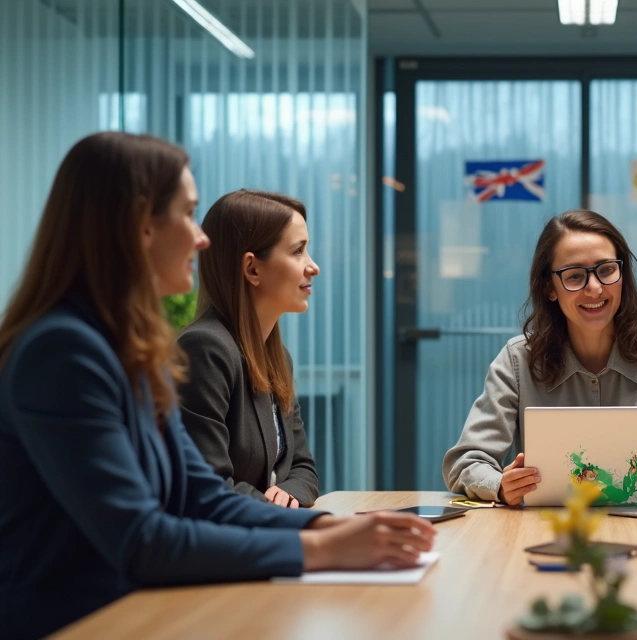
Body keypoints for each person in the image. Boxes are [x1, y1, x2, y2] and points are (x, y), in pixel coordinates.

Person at [0, 133, 435, 639]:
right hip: (78, 623)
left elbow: (202, 495)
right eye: (187, 215)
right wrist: (317, 549)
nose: (201, 238)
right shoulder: (62, 352)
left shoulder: (130, 350)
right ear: (139, 227)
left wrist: (325, 526)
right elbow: (142, 539)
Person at [443, 209, 637, 505]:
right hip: (547, 532)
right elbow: (465, 463)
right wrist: (500, 485)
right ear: (550, 287)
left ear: (622, 275)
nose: (595, 288)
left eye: (607, 270)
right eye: (574, 276)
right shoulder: (517, 360)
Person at [178, 190, 321, 508]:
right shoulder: (204, 350)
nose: (313, 267)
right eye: (298, 251)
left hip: (259, 534)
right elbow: (208, 487)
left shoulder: (277, 356)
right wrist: (275, 508)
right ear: (252, 270)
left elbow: (303, 470)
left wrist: (289, 495)